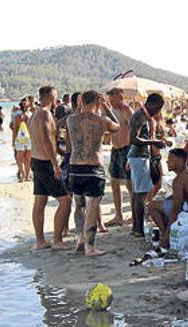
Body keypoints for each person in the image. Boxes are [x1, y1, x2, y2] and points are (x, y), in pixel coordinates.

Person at [66, 90, 120, 256]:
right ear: (98, 102)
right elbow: (117, 126)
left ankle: (80, 241)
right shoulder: (102, 120)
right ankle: (90, 247)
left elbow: (77, 115)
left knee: (79, 206)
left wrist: (81, 104)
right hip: (93, 167)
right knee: (92, 208)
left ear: (82, 101)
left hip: (75, 167)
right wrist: (106, 108)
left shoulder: (70, 120)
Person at [27, 85, 72, 250]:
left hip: (36, 160)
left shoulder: (34, 114)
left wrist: (60, 151)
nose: (56, 101)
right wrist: (55, 164)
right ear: (48, 97)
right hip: (45, 163)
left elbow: (44, 138)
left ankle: (40, 241)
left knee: (40, 200)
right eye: (55, 97)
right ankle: (57, 240)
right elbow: (46, 139)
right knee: (65, 200)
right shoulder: (45, 113)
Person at [126, 93, 167, 238]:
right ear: (152, 104)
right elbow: (132, 139)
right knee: (141, 194)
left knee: (139, 193)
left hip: (141, 156)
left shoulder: (144, 116)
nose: (159, 111)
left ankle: (136, 227)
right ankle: (138, 228)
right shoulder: (139, 117)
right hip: (138, 157)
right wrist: (153, 142)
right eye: (159, 107)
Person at [148, 148, 188, 250]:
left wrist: (166, 237)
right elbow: (178, 196)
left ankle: (166, 237)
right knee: (161, 203)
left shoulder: (179, 180)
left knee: (152, 206)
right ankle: (167, 235)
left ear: (179, 161)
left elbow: (176, 209)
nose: (167, 161)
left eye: (170, 159)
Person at [104, 88, 134, 227]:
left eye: (113, 100)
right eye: (110, 100)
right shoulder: (112, 111)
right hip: (115, 149)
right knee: (114, 182)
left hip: (126, 149)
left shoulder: (127, 111)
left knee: (129, 185)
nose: (112, 102)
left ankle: (134, 215)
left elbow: (135, 131)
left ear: (120, 97)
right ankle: (118, 215)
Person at [11, 98, 33, 181]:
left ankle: (27, 176)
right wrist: (13, 141)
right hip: (20, 139)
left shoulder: (31, 114)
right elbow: (15, 129)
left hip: (29, 139)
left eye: (26, 103)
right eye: (23, 103)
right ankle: (23, 175)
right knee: (20, 158)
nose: (25, 105)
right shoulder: (17, 115)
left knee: (28, 159)